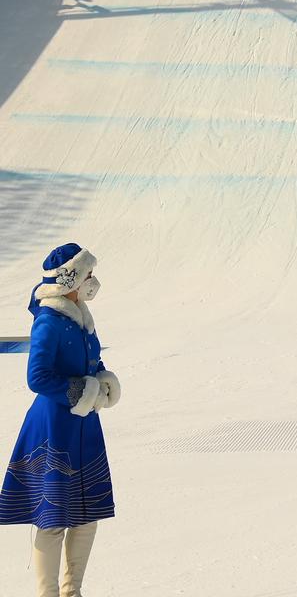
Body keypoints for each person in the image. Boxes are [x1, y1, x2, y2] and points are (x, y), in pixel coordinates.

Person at [1, 244, 119, 597]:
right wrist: (81, 391)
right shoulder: (49, 321)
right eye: (87, 275)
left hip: (84, 426)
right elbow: (37, 377)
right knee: (53, 519)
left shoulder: (81, 315)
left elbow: (90, 363)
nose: (92, 281)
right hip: (54, 425)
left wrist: (103, 379)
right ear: (70, 278)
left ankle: (72, 592)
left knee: (86, 514)